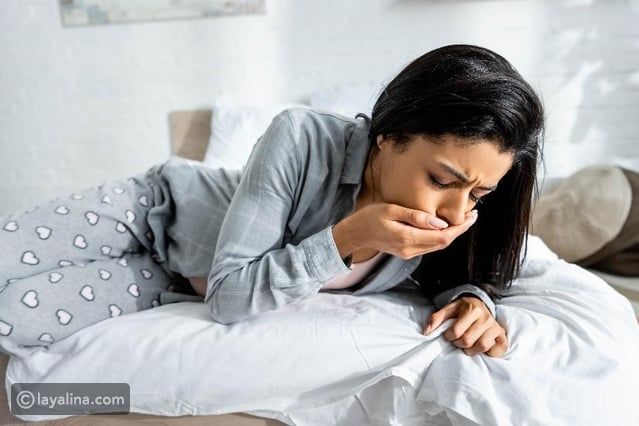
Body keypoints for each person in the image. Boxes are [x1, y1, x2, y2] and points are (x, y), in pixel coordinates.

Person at [0, 44, 544, 359]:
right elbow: (232, 293)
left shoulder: (452, 222)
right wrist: (351, 236)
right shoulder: (302, 135)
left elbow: (461, 274)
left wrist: (474, 299)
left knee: (13, 318)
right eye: (442, 179)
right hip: (153, 213)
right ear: (389, 134)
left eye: (478, 193)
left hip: (174, 280)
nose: (456, 212)